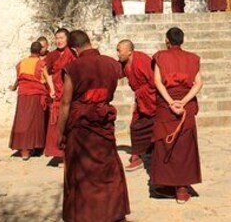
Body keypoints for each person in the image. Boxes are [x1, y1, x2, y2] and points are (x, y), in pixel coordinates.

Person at [58, 30, 130, 222]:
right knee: (107, 168)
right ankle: (112, 212)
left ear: (74, 49)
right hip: (103, 122)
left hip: (80, 127)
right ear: (90, 42)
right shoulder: (111, 64)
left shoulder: (73, 67)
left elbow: (65, 102)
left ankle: (85, 215)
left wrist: (60, 132)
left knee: (82, 171)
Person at [151, 27, 203, 204]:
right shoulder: (193, 58)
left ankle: (167, 184)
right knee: (185, 145)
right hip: (185, 105)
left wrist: (171, 102)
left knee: (166, 143)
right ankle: (181, 189)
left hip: (167, 105)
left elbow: (157, 82)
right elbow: (198, 83)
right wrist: (184, 101)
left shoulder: (161, 56)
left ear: (167, 40)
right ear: (182, 40)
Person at [116, 39, 157, 171]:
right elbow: (116, 72)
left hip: (151, 97)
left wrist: (150, 97)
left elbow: (154, 80)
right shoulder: (125, 63)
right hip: (141, 99)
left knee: (154, 125)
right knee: (135, 126)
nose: (117, 54)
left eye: (119, 50)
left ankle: (145, 153)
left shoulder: (141, 60)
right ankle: (137, 155)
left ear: (129, 51)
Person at [9, 41, 54, 159]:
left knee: (22, 120)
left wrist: (13, 88)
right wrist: (53, 90)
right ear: (40, 51)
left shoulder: (21, 63)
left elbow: (18, 79)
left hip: (23, 94)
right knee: (34, 122)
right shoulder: (40, 63)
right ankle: (33, 147)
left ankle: (24, 150)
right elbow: (47, 77)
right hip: (35, 95)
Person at [44, 28, 74, 161]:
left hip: (69, 91)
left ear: (67, 39)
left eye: (61, 38)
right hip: (57, 91)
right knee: (57, 122)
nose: (59, 41)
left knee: (69, 121)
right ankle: (60, 153)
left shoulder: (72, 53)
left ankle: (70, 153)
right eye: (57, 38)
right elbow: (47, 72)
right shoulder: (52, 55)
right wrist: (51, 89)